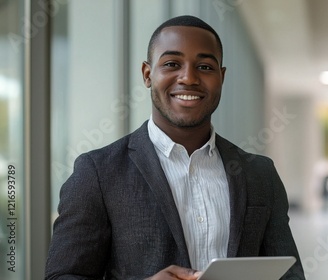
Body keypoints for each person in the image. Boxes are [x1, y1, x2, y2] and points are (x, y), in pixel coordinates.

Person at [45, 15, 305, 280]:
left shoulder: (260, 174)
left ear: (221, 77)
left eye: (205, 67)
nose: (189, 78)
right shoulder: (98, 173)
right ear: (148, 74)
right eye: (171, 64)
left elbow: (290, 275)